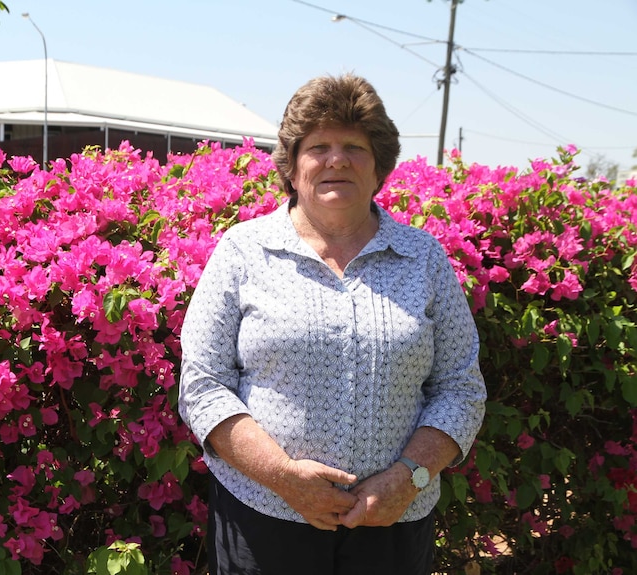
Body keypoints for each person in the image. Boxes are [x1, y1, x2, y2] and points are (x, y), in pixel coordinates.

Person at [178, 73, 486, 575]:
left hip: (392, 525)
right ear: (293, 167)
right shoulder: (243, 252)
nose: (336, 159)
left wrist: (408, 480)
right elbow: (203, 385)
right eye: (318, 146)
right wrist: (284, 478)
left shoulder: (423, 258)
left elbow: (460, 388)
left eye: (354, 147)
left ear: (379, 166)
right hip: (265, 519)